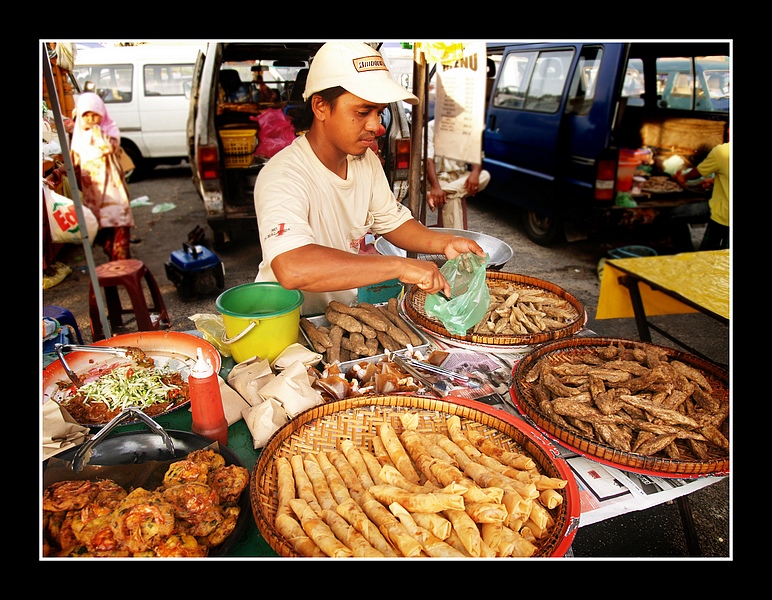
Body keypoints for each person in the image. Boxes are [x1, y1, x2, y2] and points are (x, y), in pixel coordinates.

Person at [253, 41, 485, 316]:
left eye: (379, 112)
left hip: (337, 314)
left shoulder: (365, 162)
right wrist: (400, 266)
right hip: (283, 321)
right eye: (363, 112)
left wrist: (444, 243)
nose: (376, 126)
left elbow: (393, 220)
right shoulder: (283, 175)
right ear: (320, 107)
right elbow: (293, 267)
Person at [70, 92, 135, 261]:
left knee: (120, 242)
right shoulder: (77, 140)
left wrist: (96, 133)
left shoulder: (109, 132)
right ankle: (112, 280)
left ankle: (124, 273)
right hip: (95, 199)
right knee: (105, 240)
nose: (91, 119)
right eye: (87, 115)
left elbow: (110, 147)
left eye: (95, 115)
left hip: (115, 195)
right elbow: (75, 167)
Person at [425, 119, 490, 230]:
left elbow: (476, 158)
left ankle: (441, 193)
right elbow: (428, 160)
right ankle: (457, 239)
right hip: (437, 178)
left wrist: (474, 173)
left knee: (484, 175)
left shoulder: (467, 128)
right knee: (452, 200)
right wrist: (436, 187)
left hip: (459, 177)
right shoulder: (431, 127)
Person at [674, 139, 730, 251]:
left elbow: (696, 173)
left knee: (675, 215)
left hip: (724, 215)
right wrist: (714, 180)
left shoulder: (723, 151)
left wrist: (683, 177)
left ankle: (686, 254)